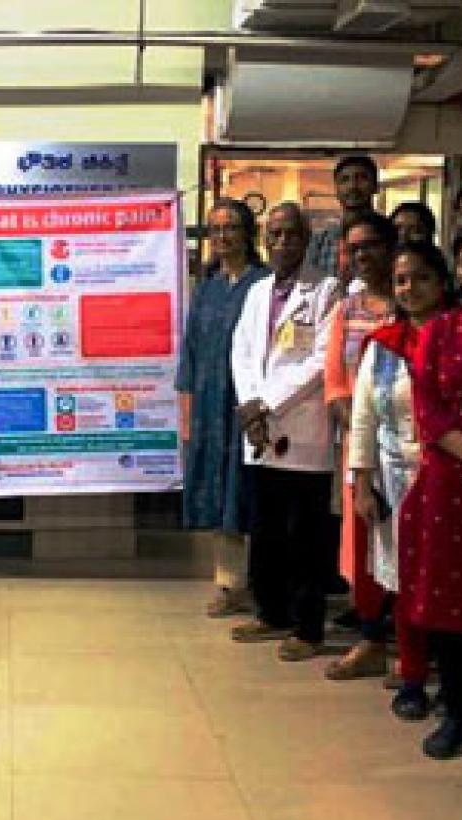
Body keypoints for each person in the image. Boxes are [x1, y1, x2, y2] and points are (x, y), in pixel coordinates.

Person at [230, 202, 339, 661]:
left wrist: (267, 403)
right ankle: (271, 612)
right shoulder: (257, 292)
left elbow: (320, 362)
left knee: (306, 537)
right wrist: (252, 406)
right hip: (259, 431)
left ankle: (309, 627)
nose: (282, 243)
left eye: (291, 234)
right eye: (274, 235)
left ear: (307, 237)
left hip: (302, 428)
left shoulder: (327, 291)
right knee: (266, 530)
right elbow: (242, 351)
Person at [349, 242, 453, 718]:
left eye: (421, 278)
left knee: (450, 580)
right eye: (402, 281)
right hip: (396, 479)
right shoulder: (383, 345)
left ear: (442, 282)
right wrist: (363, 480)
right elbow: (364, 417)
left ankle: (452, 681)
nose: (410, 289)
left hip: (454, 477)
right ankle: (412, 676)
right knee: (406, 582)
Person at [400, 223, 462, 759]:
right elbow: (428, 408)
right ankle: (454, 714)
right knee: (451, 600)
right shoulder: (442, 330)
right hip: (453, 477)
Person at [176, 199, 269, 617]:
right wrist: (187, 406)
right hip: (210, 405)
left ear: (248, 232)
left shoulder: (265, 285)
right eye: (215, 229)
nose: (223, 236)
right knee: (218, 489)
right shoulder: (208, 289)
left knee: (251, 491)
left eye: (231, 227)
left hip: (253, 406)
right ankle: (230, 584)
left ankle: (263, 583)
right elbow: (190, 350)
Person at [323, 212, 398, 680]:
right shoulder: (346, 311)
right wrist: (362, 435)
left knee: (409, 546)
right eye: (354, 248)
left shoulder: (413, 305)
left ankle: (412, 645)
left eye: (371, 245)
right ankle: (371, 640)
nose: (362, 255)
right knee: (365, 543)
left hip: (414, 447)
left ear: (391, 248)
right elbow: (334, 382)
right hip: (361, 448)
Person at [306, 154, 378, 281]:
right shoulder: (320, 241)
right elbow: (308, 286)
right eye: (345, 180)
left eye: (361, 178)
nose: (353, 186)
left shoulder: (390, 235)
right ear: (336, 189)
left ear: (375, 186)